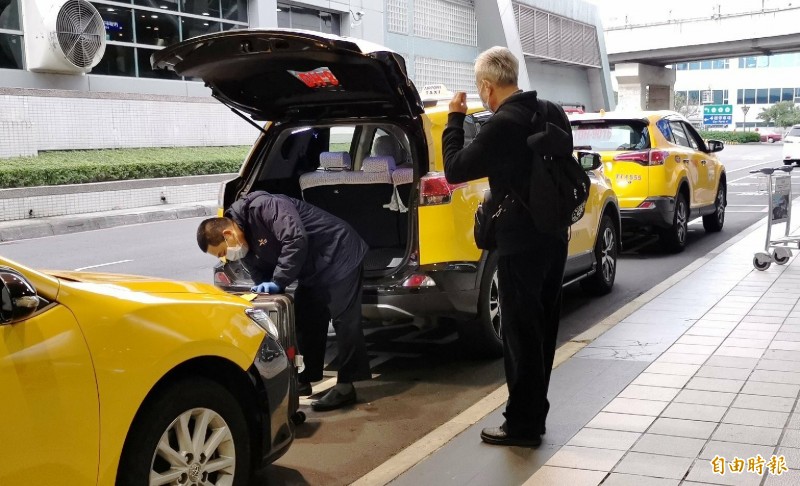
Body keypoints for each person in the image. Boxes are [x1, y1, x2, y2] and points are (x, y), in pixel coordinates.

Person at [442, 46, 572, 447]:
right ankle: (535, 413)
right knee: (542, 332)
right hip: (555, 237)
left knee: (520, 337)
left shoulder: (503, 123)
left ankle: (522, 425)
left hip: (520, 244)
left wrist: (454, 119)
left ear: (486, 86)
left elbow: (454, 169)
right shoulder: (551, 111)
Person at [196, 191, 372, 411]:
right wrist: (263, 288)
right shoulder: (244, 240)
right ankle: (306, 377)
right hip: (311, 266)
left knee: (344, 320)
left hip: (339, 252)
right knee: (306, 319)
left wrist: (279, 280)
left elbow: (295, 239)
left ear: (228, 233)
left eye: (223, 251)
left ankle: (346, 386)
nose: (226, 257)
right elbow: (256, 267)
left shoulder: (266, 207)